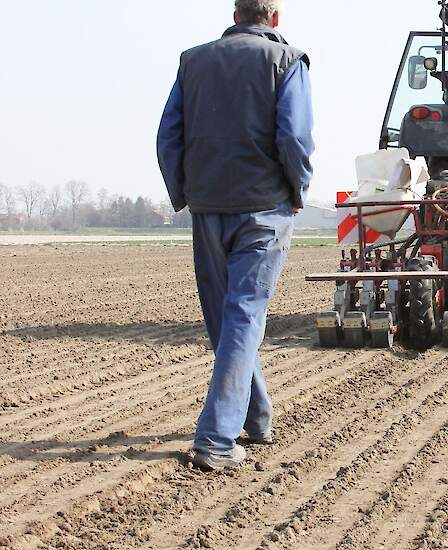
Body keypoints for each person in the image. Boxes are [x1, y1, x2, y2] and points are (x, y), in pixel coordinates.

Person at [156, 0, 314, 471]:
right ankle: (217, 440)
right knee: (243, 317)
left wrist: (186, 193)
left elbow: (168, 136)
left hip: (208, 208)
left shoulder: (193, 60)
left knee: (229, 320)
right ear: (276, 18)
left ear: (237, 12)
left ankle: (256, 417)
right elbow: (295, 138)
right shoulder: (287, 60)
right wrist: (298, 187)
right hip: (264, 207)